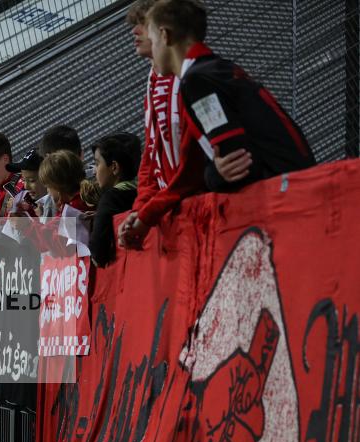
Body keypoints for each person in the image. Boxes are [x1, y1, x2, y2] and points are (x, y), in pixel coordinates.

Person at [122, 0, 317, 247]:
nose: (142, 39)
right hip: (295, 190)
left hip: (287, 202)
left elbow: (237, 164)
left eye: (149, 33)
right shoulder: (212, 70)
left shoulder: (197, 81)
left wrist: (212, 176)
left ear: (164, 35)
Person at [118, 0, 208, 251]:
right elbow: (152, 152)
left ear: (163, 31)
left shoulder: (195, 76)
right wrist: (141, 208)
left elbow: (194, 164)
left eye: (143, 25)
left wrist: (149, 212)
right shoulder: (153, 79)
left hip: (199, 207)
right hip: (177, 209)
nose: (135, 32)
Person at [89, 133, 142, 267]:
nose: (94, 171)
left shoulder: (111, 199)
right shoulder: (145, 193)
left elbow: (98, 253)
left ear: (114, 167)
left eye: (97, 163)